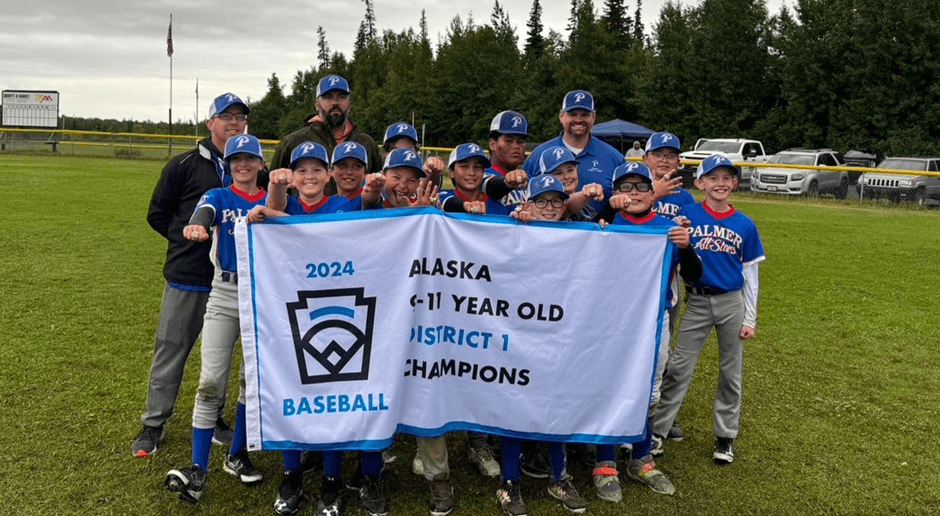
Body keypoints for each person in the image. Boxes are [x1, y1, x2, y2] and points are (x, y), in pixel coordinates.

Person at [134, 92, 251, 458]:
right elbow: (158, 214)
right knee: (172, 349)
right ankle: (153, 423)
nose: (234, 122)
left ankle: (214, 418)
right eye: (227, 116)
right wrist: (188, 242)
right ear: (210, 122)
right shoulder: (184, 164)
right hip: (189, 275)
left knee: (222, 356)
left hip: (234, 280)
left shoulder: (250, 166)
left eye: (240, 116)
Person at [164, 134, 276, 503]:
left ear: (261, 164)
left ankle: (237, 454)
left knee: (250, 379)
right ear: (228, 165)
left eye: (249, 158)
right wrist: (197, 225)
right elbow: (205, 212)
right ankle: (198, 468)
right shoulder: (220, 195)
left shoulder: (272, 199)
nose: (243, 164)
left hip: (263, 294)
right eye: (235, 159)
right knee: (211, 381)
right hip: (225, 292)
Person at [651, 154, 766, 465]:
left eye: (726, 178)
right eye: (713, 178)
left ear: (735, 183)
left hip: (731, 302)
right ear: (700, 183)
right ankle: (658, 431)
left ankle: (725, 436)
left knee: (731, 372)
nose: (720, 183)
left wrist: (750, 318)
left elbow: (751, 275)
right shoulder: (688, 214)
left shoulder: (744, 224)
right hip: (697, 301)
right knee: (679, 368)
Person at [605, 162, 702, 497]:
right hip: (610, 321)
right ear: (615, 193)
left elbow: (695, 275)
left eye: (641, 187)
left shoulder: (668, 227)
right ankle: (604, 461)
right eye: (625, 187)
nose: (634, 193)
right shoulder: (606, 222)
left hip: (653, 319)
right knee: (608, 386)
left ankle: (641, 457)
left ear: (652, 192)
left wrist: (686, 246)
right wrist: (605, 210)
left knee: (650, 390)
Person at [495, 174, 587, 516]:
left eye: (556, 201)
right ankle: (509, 480)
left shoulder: (579, 235)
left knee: (557, 403)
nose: (549, 207)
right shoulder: (515, 229)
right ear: (527, 203)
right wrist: (514, 223)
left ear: (565, 205)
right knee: (514, 404)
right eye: (541, 201)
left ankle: (559, 476)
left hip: (560, 335)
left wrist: (606, 234)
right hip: (518, 333)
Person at [521, 90, 626, 220]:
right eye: (572, 114)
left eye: (585, 114)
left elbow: (626, 199)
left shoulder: (613, 157)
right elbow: (522, 197)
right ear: (561, 116)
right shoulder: (539, 154)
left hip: (598, 229)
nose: (578, 119)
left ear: (593, 117)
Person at [270, 74, 382, 189]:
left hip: (356, 201)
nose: (335, 102)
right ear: (317, 104)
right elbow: (271, 187)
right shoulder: (294, 142)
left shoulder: (367, 143)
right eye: (328, 97)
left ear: (349, 103)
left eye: (342, 97)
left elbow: (379, 187)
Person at [440, 143, 511, 218]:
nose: (472, 173)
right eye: (464, 166)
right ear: (451, 172)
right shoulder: (441, 198)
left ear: (483, 172)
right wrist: (465, 205)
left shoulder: (498, 207)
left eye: (477, 167)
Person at [480, 110, 531, 206]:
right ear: (492, 144)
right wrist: (506, 182)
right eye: (509, 141)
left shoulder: (529, 180)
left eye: (520, 141)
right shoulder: (480, 175)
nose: (515, 146)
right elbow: (492, 187)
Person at [382, 121, 446, 188]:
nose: (402, 155)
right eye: (396, 150)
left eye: (408, 150)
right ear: (385, 152)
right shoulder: (377, 179)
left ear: (417, 152)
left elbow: (423, 185)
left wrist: (432, 171)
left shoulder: (417, 174)